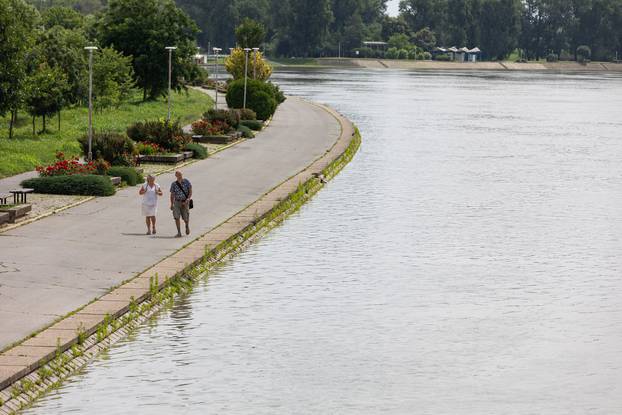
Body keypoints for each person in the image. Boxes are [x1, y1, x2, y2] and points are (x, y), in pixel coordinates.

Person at [170, 170, 192, 237]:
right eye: (177, 175)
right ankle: (179, 232)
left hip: (185, 202)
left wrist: (188, 199)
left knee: (185, 217)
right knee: (176, 217)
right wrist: (171, 204)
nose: (179, 176)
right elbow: (172, 194)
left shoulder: (186, 181)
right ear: (176, 176)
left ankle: (187, 226)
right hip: (177, 202)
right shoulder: (173, 184)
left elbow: (190, 191)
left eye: (180, 174)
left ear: (182, 174)